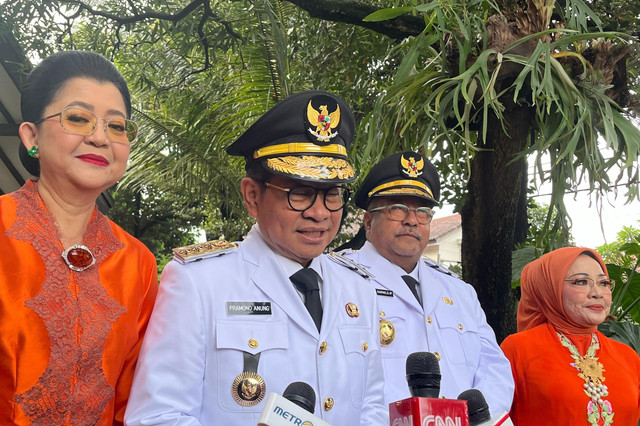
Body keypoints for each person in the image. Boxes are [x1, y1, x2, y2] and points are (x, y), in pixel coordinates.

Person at [125, 91, 387, 425]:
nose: (320, 213)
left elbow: (373, 407)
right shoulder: (199, 282)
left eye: (332, 194)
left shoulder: (358, 287)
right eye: (300, 193)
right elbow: (158, 416)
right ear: (252, 195)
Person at [0, 51, 158, 425]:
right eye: (78, 118)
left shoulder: (138, 263)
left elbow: (134, 400)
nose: (100, 137)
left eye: (117, 126)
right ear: (31, 136)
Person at [340, 151, 514, 414]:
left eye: (422, 212)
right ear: (368, 220)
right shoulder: (338, 281)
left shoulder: (459, 291)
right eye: (397, 209)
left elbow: (494, 369)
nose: (412, 220)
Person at [501, 247, 640, 426]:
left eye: (604, 283)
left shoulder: (628, 357)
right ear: (549, 288)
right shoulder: (518, 350)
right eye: (581, 282)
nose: (597, 293)